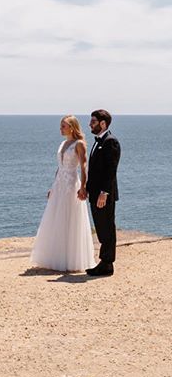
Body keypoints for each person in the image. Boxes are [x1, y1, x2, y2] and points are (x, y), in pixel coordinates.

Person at [30, 115, 95, 272]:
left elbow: (83, 167)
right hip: (59, 185)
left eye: (63, 126)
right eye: (61, 126)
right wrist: (53, 186)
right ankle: (56, 257)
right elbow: (59, 167)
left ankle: (71, 259)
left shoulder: (79, 144)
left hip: (71, 185)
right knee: (56, 218)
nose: (61, 128)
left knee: (69, 218)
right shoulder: (63, 143)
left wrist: (83, 187)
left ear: (72, 127)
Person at [85, 109, 121, 277]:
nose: (90, 124)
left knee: (106, 227)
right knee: (101, 227)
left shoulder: (110, 141)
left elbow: (110, 171)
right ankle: (104, 263)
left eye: (93, 121)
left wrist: (104, 193)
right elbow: (94, 170)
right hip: (96, 193)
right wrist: (87, 188)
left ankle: (107, 264)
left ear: (103, 123)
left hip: (103, 195)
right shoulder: (99, 141)